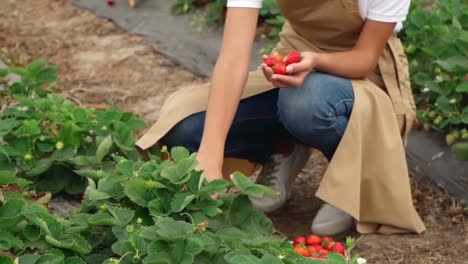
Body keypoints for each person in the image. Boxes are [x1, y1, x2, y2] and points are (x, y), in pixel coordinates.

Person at [136, 0, 426, 236]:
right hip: (293, 65)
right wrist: (211, 155)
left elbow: (365, 58)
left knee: (305, 102)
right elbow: (234, 54)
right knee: (186, 127)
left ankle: (350, 182)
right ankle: (285, 146)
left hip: (363, 78)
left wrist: (316, 61)